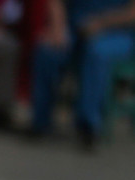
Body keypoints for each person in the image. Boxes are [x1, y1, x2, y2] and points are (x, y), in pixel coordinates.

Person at [29, 0, 135, 148]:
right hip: (75, 26)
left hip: (116, 31)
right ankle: (40, 122)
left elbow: (132, 13)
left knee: (96, 53)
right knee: (47, 51)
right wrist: (58, 28)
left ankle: (88, 125)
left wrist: (101, 23)